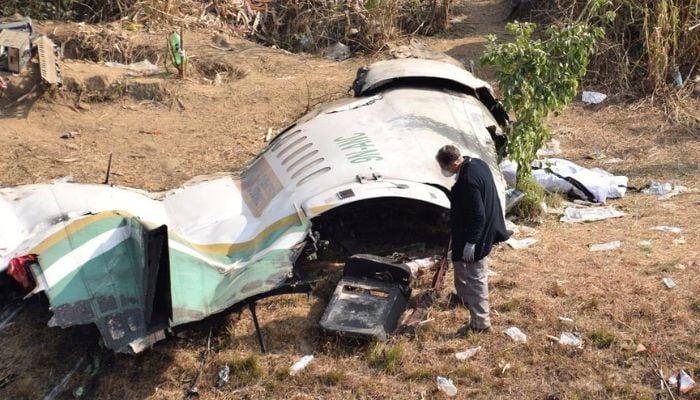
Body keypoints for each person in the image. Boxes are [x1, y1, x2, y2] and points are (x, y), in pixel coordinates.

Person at [435, 144, 510, 335]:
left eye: (442, 167)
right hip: (470, 228)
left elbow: (478, 216)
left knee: (476, 276)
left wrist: (472, 242)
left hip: (478, 232)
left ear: (451, 164)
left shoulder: (467, 180)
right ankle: (463, 297)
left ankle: (480, 323)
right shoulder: (476, 163)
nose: (443, 171)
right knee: (459, 260)